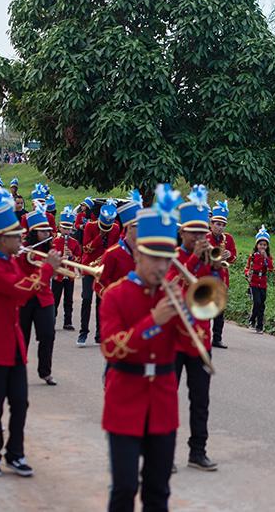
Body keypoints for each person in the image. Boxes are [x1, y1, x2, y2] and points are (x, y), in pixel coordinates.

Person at [99, 185, 183, 511]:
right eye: (154, 258)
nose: (161, 267)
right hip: (124, 400)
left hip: (163, 402)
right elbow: (111, 348)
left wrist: (184, 311)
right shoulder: (116, 295)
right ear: (138, 254)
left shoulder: (172, 296)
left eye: (166, 259)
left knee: (158, 491)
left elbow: (193, 344)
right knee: (123, 488)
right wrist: (154, 321)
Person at [0, 187, 61, 477]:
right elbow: (21, 292)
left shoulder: (11, 261)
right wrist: (47, 270)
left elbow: (25, 283)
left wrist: (46, 267)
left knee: (20, 403)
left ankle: (15, 454)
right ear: (2, 239)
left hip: (13, 346)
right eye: (16, 236)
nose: (22, 239)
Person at [169, 185, 218, 471]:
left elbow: (216, 295)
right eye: (194, 233)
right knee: (168, 398)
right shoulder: (173, 256)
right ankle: (166, 451)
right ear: (182, 233)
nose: (200, 238)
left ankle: (197, 451)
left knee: (200, 401)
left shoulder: (212, 257)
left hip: (201, 338)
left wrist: (211, 264)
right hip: (173, 339)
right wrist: (192, 259)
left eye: (203, 233)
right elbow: (174, 286)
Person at [16, 204, 59, 386]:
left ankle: (45, 372)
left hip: (44, 297)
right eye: (42, 232)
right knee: (22, 336)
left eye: (48, 231)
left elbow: (57, 273)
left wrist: (56, 266)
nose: (47, 235)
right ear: (34, 232)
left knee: (48, 334)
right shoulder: (22, 250)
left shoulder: (50, 249)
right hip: (25, 297)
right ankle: (18, 370)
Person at [78, 200, 120, 347]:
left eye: (108, 227)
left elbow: (113, 247)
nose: (107, 229)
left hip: (104, 269)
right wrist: (99, 236)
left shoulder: (115, 228)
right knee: (86, 299)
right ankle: (83, 333)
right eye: (104, 227)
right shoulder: (90, 226)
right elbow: (86, 249)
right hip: (89, 267)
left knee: (101, 301)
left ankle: (99, 334)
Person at [207, 200, 236, 349]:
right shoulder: (206, 237)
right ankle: (204, 336)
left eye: (223, 225)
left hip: (222, 277)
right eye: (217, 224)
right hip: (207, 276)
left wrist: (229, 254)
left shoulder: (228, 239)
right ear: (211, 224)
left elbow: (234, 257)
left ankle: (217, 338)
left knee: (220, 310)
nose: (220, 227)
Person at [51, 207, 81, 331]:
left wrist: (71, 256)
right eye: (64, 228)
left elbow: (79, 259)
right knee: (55, 299)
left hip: (69, 274)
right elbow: (50, 257)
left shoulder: (74, 243)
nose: (66, 231)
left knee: (69, 300)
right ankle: (51, 321)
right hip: (57, 274)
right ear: (59, 227)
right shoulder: (54, 241)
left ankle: (67, 322)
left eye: (69, 228)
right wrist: (60, 257)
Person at [244, 226, 273, 333]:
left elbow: (270, 268)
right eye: (260, 244)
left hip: (263, 283)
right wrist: (248, 273)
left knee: (262, 305)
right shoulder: (252, 256)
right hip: (254, 282)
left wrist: (266, 258)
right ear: (257, 245)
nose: (262, 247)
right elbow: (247, 268)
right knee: (257, 302)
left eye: (264, 245)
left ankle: (259, 325)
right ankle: (252, 319)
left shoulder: (268, 257)